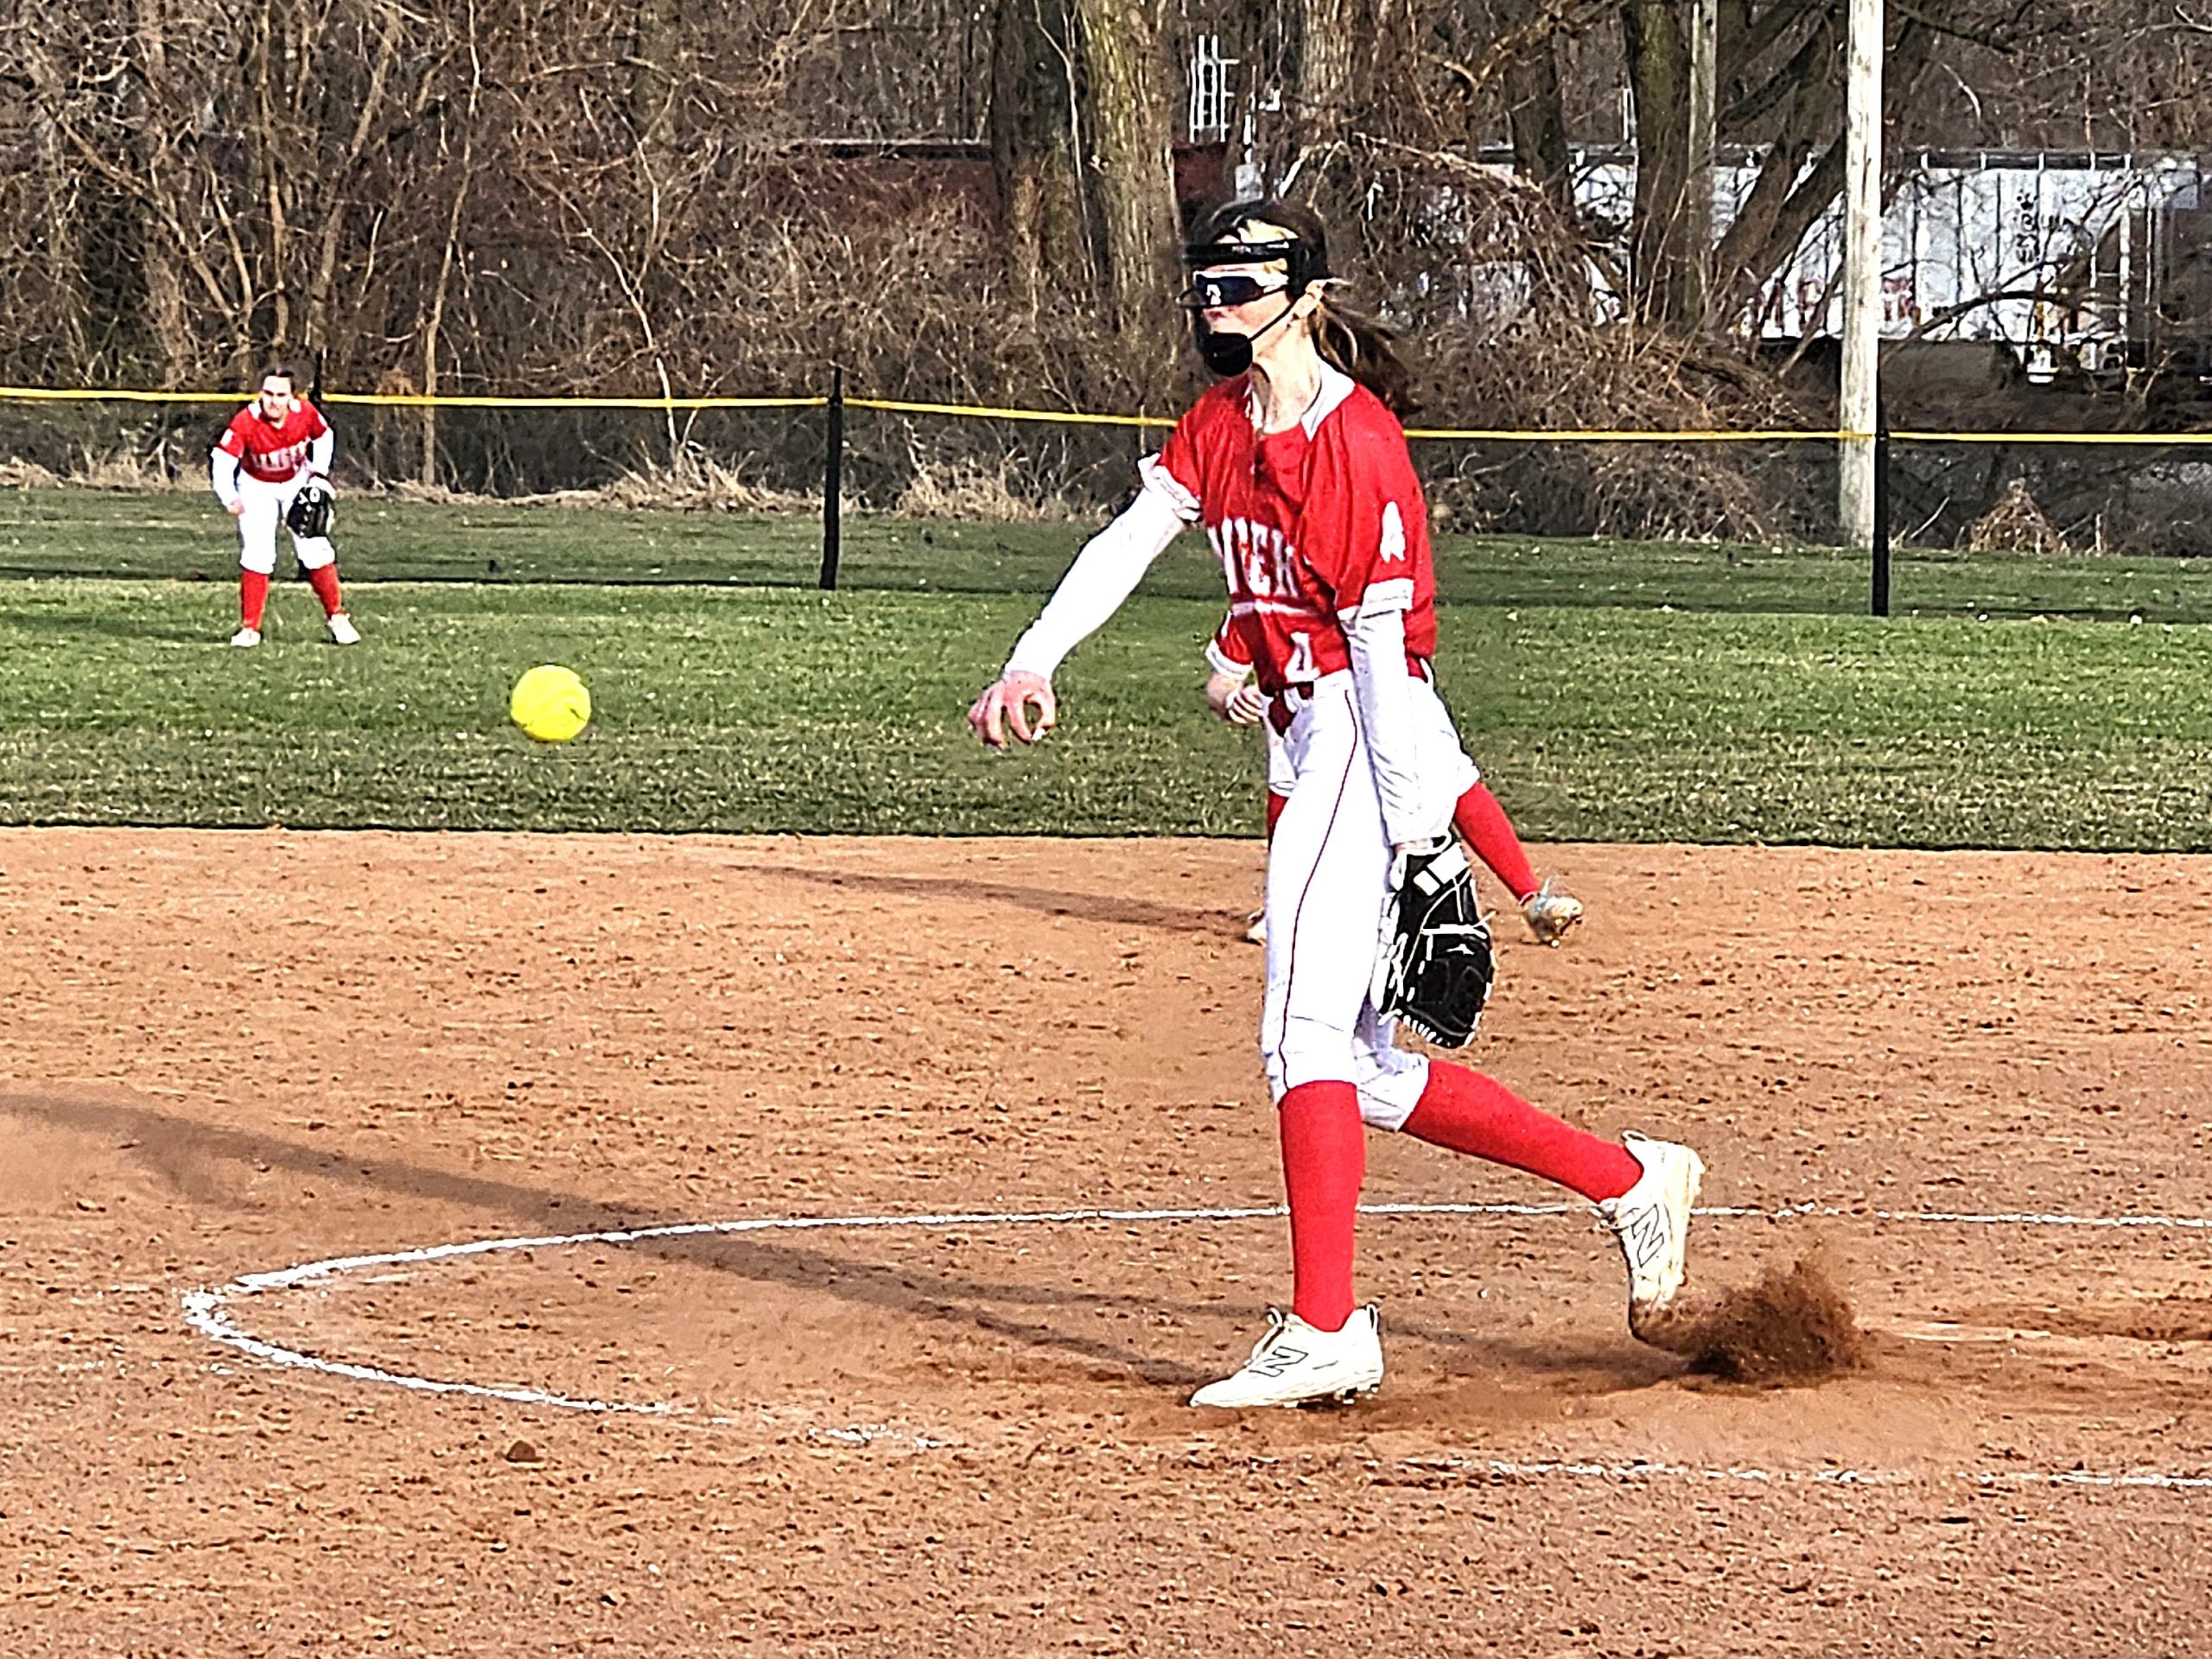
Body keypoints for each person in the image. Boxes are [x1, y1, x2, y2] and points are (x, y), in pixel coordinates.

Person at [967, 199, 1704, 1410]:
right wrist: (1033, 658)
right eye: (1206, 288)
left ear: (1306, 296)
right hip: (1316, 728)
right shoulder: (1222, 422)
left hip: (1360, 729)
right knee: (1355, 1066)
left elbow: (1379, 655)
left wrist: (1420, 842)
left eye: (1245, 288)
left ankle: (1325, 1329)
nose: (1219, 309)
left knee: (1298, 1042)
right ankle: (1629, 1180)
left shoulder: (1352, 441)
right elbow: (1126, 541)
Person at [1201, 613, 1584, 947]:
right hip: (1301, 708)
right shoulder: (1263, 592)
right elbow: (1220, 684)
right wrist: (1231, 699)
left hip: (1390, 690)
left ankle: (1531, 898)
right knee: (1292, 788)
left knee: (1452, 778)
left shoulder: (1357, 576)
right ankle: (1285, 911)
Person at [211, 364, 360, 648]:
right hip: (255, 484)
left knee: (314, 549)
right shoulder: (247, 420)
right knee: (257, 554)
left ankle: (337, 618)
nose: (273, 400)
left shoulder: (304, 413)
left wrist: (318, 475)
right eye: (267, 393)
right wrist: (228, 495)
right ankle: (250, 628)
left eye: (280, 394)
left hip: (296, 481)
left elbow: (324, 436)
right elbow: (223, 459)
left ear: (293, 397)